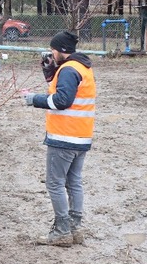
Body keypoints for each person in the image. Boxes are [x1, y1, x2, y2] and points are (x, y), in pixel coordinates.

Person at [23, 30, 95, 247]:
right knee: (74, 182)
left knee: (55, 184)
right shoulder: (82, 67)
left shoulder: (68, 70)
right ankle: (75, 227)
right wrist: (50, 74)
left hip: (64, 135)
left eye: (54, 49)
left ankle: (62, 230)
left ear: (62, 50)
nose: (51, 53)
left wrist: (33, 99)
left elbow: (63, 100)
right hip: (82, 135)